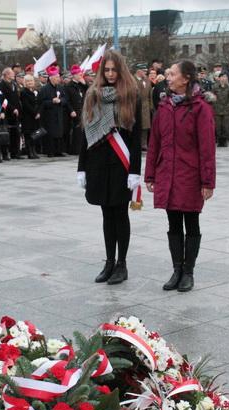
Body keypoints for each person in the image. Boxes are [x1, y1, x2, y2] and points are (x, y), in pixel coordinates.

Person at [145, 60, 216, 293]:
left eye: (172, 74)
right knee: (173, 222)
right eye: (168, 74)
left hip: (190, 175)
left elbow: (207, 148)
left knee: (191, 222)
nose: (168, 77)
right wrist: (151, 174)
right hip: (167, 173)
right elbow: (154, 143)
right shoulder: (164, 106)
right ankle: (177, 270)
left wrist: (208, 181)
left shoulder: (200, 108)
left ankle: (188, 272)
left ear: (186, 78)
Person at [77, 49, 142, 285]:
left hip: (120, 164)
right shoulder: (92, 94)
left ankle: (121, 264)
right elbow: (86, 132)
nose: (111, 74)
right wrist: (81, 167)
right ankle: (109, 262)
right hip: (97, 163)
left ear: (121, 70)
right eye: (107, 70)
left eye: (114, 70)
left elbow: (136, 137)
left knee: (120, 214)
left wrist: (135, 171)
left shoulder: (131, 95)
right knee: (106, 214)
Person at [39, 66, 70, 157]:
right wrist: (52, 101)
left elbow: (65, 99)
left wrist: (60, 101)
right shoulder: (44, 89)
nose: (58, 79)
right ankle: (50, 151)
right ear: (51, 78)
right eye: (56, 77)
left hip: (59, 113)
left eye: (58, 77)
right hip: (49, 114)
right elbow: (41, 102)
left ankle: (59, 150)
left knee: (59, 132)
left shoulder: (60, 88)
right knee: (51, 133)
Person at [0, 67, 22, 159]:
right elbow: (4, 100)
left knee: (15, 133)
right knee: (7, 133)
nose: (13, 75)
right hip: (7, 112)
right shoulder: (2, 85)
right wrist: (12, 108)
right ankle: (6, 153)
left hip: (16, 112)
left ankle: (15, 152)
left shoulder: (14, 84)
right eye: (12, 73)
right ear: (6, 75)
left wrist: (18, 108)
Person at [64, 65, 87, 155]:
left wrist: (84, 84)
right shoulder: (68, 86)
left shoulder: (82, 85)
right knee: (76, 131)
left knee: (82, 131)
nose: (81, 76)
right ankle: (75, 149)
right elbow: (67, 100)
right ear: (74, 75)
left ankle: (82, 148)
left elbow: (89, 92)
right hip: (74, 111)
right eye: (79, 74)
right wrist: (71, 110)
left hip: (83, 110)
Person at [20, 74, 41, 159]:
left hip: (35, 117)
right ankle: (29, 152)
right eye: (28, 81)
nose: (30, 82)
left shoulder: (35, 92)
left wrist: (38, 112)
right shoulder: (23, 92)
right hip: (28, 117)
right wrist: (35, 113)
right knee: (28, 135)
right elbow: (26, 105)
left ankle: (34, 151)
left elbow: (38, 103)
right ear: (25, 82)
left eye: (31, 81)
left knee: (34, 135)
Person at [211, 72, 229, 146]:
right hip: (217, 109)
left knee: (225, 126)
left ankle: (224, 141)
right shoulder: (215, 87)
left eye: (225, 77)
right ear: (219, 78)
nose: (224, 78)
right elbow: (212, 98)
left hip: (226, 109)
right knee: (218, 127)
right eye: (222, 77)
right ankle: (219, 140)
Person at [134, 63, 153, 150]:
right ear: (138, 71)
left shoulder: (147, 80)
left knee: (145, 126)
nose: (145, 73)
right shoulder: (132, 80)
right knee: (136, 125)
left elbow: (150, 94)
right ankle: (136, 143)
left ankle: (144, 144)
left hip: (145, 106)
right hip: (135, 105)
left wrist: (151, 106)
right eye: (144, 71)